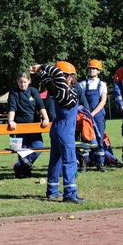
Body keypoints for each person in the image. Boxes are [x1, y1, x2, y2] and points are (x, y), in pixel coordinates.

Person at [30, 61, 84, 204]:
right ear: (69, 76)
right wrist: (41, 67)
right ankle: (70, 194)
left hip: (57, 128)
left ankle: (52, 191)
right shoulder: (63, 89)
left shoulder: (55, 89)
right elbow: (58, 74)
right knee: (70, 161)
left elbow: (48, 79)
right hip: (65, 130)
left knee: (55, 161)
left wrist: (39, 72)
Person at [7, 71, 50, 178]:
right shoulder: (13, 92)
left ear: (29, 81)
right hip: (19, 127)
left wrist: (45, 118)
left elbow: (41, 106)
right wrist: (11, 121)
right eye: (20, 82)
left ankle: (20, 166)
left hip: (34, 126)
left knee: (38, 147)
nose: (23, 84)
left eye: (25, 82)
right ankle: (23, 171)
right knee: (22, 150)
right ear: (17, 82)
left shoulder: (34, 91)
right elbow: (12, 107)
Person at [79, 60, 108, 141]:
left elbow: (103, 101)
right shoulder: (83, 84)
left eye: (94, 69)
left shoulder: (102, 84)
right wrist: (88, 114)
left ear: (98, 71)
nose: (91, 70)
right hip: (86, 115)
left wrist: (93, 113)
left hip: (99, 115)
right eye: (90, 69)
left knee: (100, 138)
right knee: (86, 139)